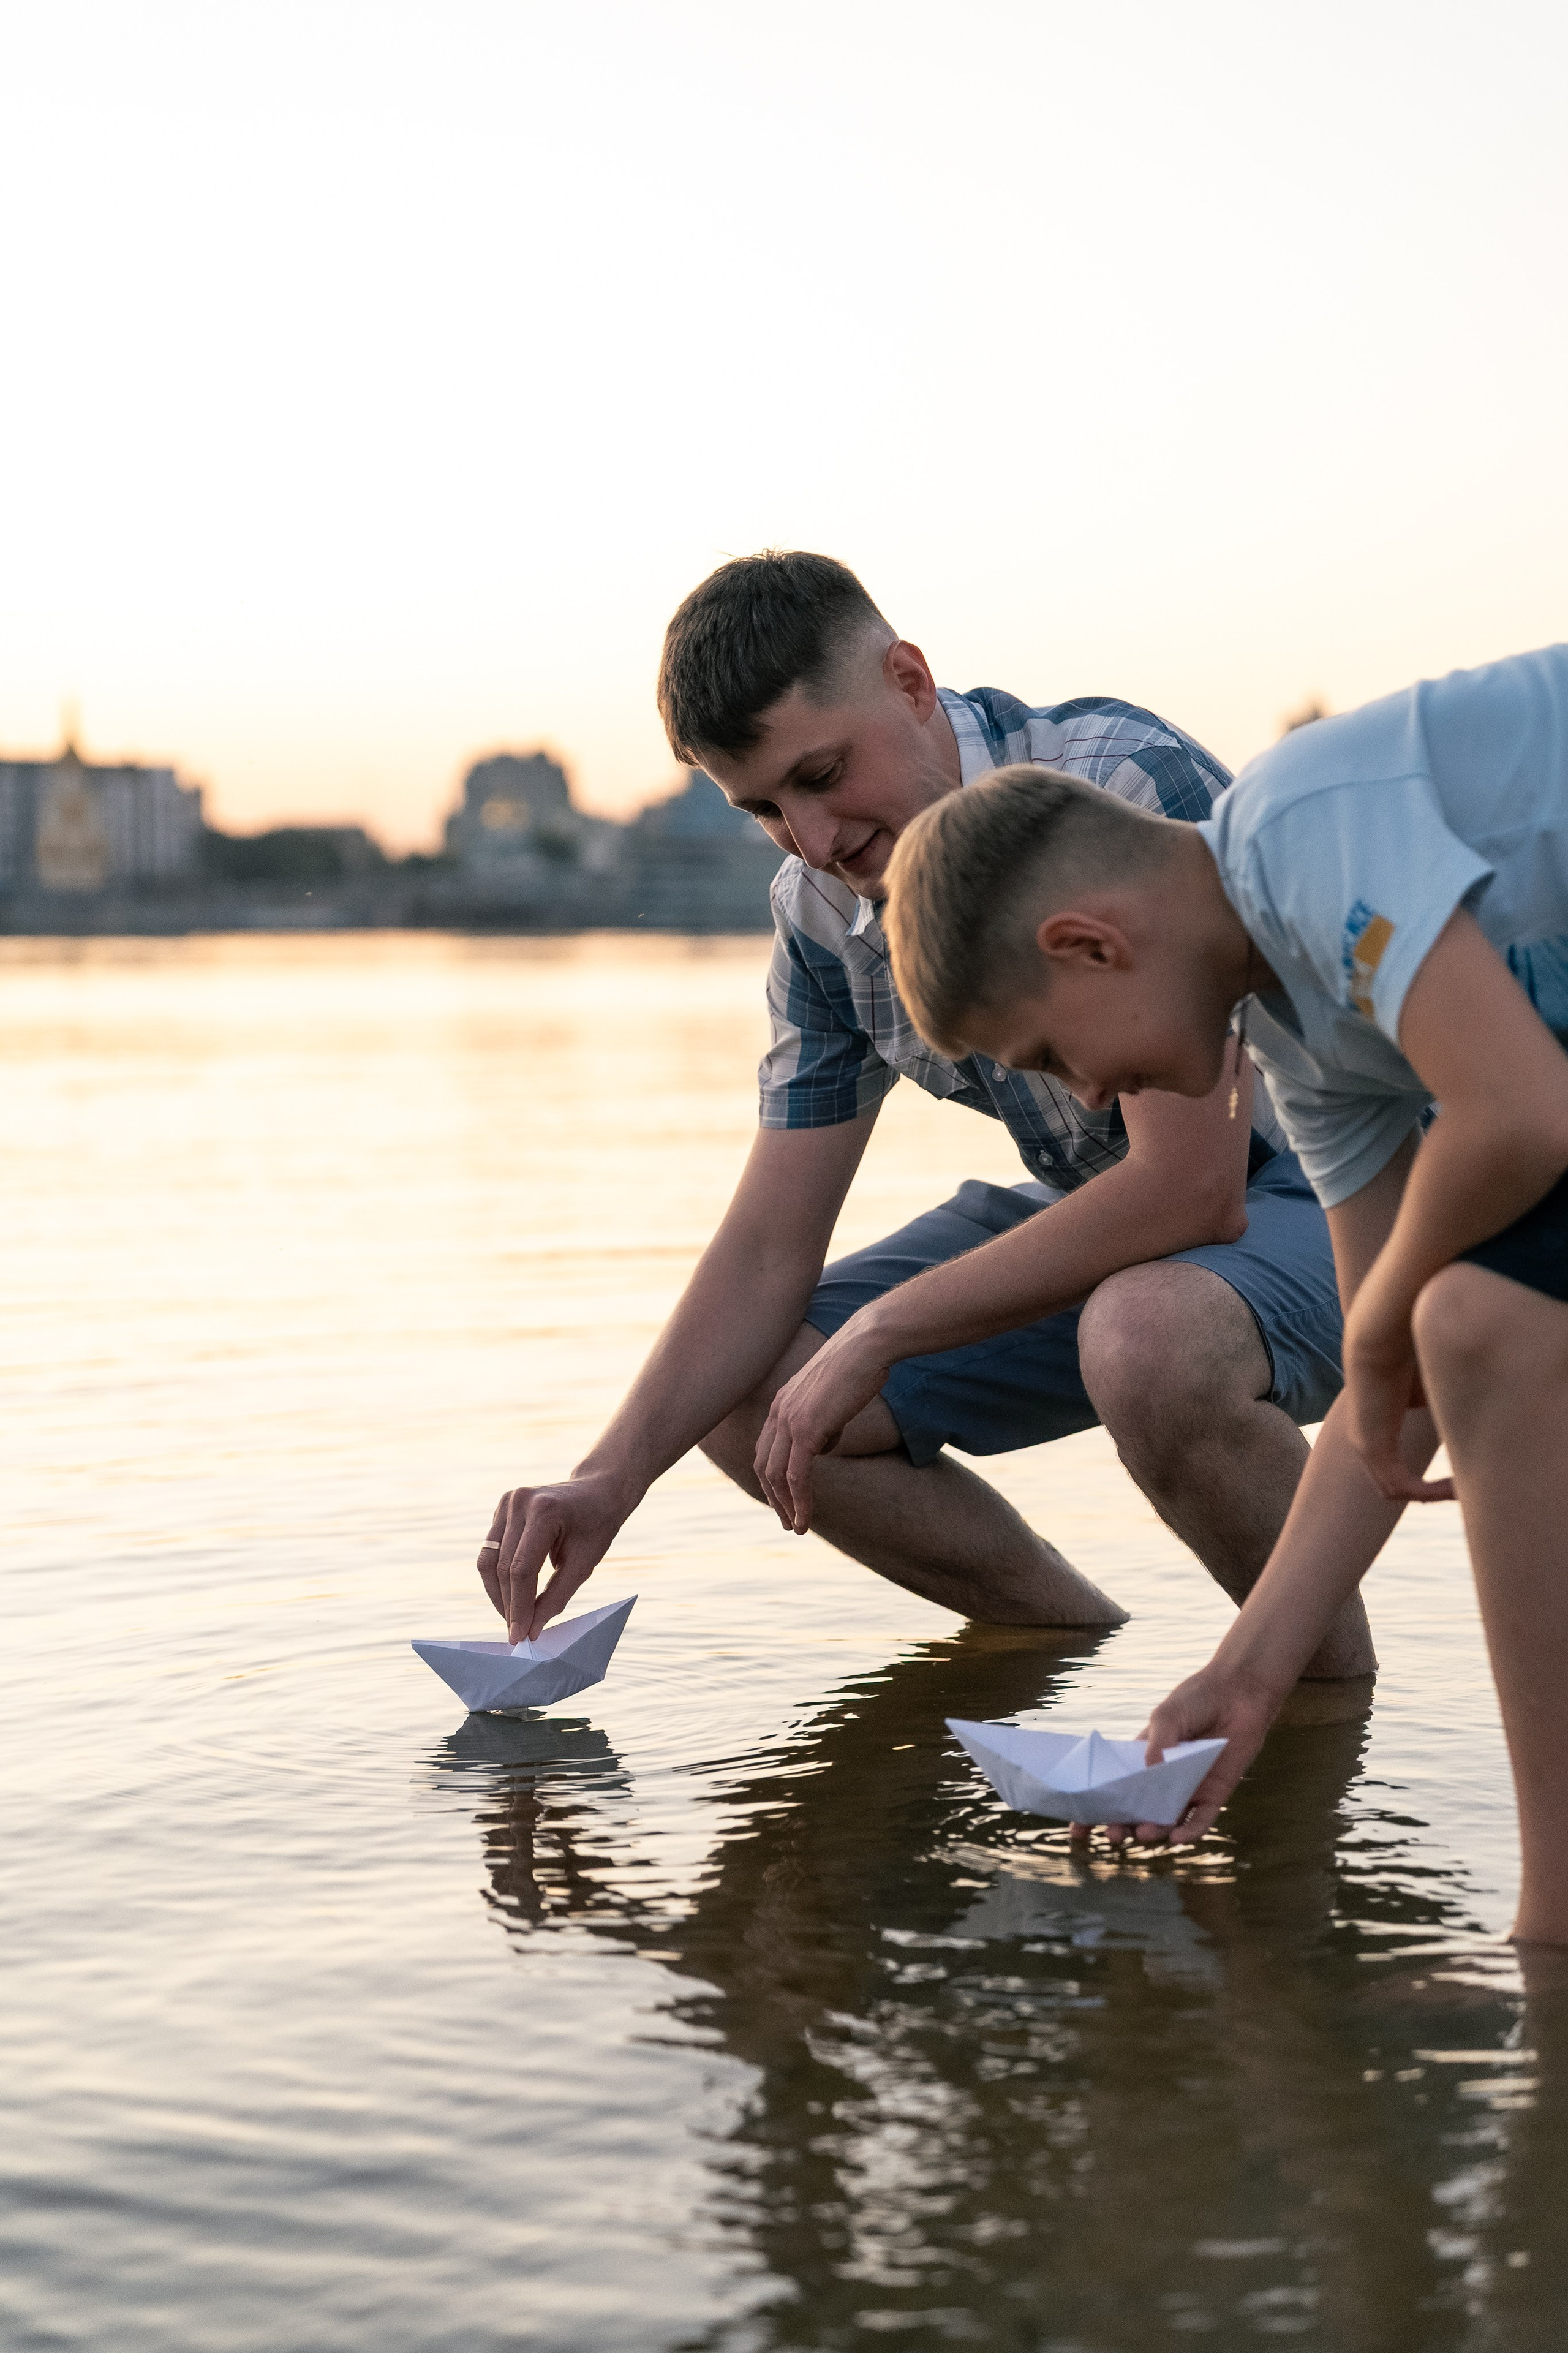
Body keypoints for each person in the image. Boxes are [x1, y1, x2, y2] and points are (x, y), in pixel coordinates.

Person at [479, 550, 1370, 1678]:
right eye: (764, 810)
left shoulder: (1118, 782)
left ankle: (1320, 1699)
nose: (815, 838)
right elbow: (766, 1247)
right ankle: (1065, 1658)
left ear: (908, 680)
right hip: (1120, 1218)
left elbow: (1194, 1185)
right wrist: (610, 1473)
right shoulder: (818, 912)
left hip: (1340, 1193)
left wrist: (885, 1329)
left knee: (1147, 1339)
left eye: (824, 771)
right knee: (757, 1395)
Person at [878, 642, 1568, 1943]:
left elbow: (1523, 1116)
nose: (1082, 1096)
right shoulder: (1308, 1038)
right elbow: (1390, 1415)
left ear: (1084, 943)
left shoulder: (1298, 832)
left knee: (1468, 1321)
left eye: (1050, 1054)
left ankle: (1548, 1918)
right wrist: (1244, 1671)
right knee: (1469, 1334)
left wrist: (1378, 1323)